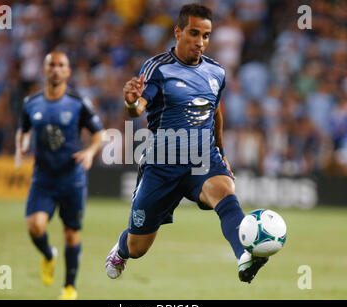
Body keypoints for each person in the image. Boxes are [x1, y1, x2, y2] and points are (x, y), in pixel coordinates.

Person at [105, 4, 268, 284]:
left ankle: (245, 256)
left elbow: (215, 111)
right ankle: (121, 248)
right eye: (194, 33)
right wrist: (131, 101)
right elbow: (138, 109)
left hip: (202, 159)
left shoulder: (216, 72)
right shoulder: (158, 68)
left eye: (206, 35)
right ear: (178, 32)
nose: (200, 42)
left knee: (225, 192)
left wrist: (222, 152)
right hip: (162, 165)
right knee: (138, 247)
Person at [15, 51, 104, 299]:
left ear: (68, 72)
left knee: (71, 233)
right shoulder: (30, 103)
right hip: (43, 177)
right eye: (51, 65)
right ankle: (48, 254)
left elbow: (100, 133)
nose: (55, 69)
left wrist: (89, 152)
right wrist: (21, 146)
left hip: (72, 178)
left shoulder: (78, 102)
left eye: (61, 65)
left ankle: (69, 288)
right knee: (35, 226)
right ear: (43, 70)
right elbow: (22, 130)